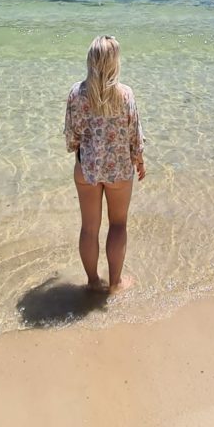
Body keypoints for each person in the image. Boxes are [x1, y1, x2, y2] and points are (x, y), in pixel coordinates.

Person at [64, 35, 145, 293]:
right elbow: (134, 134)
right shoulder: (125, 94)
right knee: (118, 224)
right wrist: (139, 159)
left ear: (90, 61)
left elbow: (71, 136)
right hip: (119, 169)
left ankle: (91, 282)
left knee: (89, 227)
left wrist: (82, 149)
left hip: (87, 168)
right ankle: (116, 283)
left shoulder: (77, 93)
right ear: (114, 63)